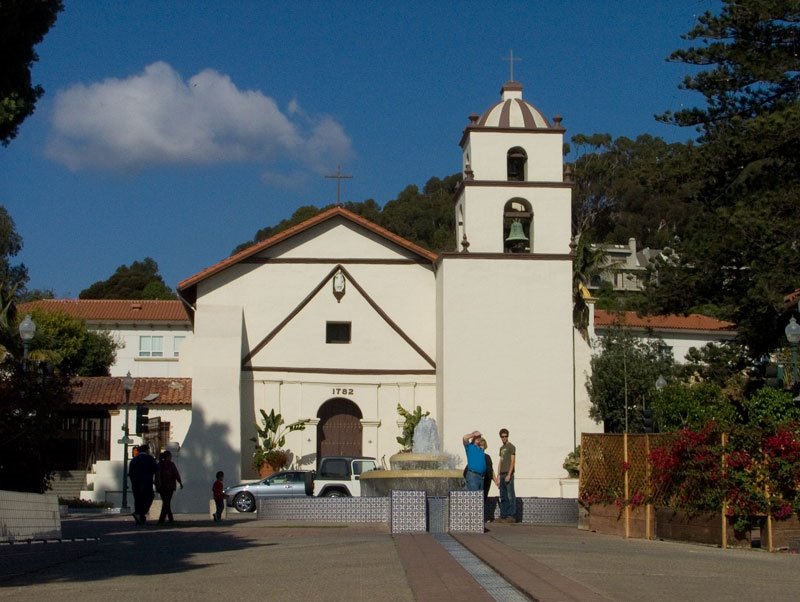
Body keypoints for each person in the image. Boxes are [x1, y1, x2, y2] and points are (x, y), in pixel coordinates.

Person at [128, 444, 158, 524]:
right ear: (147, 450)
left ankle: (139, 514)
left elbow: (130, 473)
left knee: (138, 499)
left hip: (135, 483)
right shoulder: (149, 458)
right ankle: (141, 513)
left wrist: (133, 481)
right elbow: (156, 470)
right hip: (146, 482)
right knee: (149, 497)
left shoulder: (134, 460)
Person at [494, 428, 517, 522]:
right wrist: (498, 475)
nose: (504, 438)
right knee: (503, 495)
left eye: (505, 436)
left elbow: (513, 461)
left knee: (510, 494)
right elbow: (500, 461)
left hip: (508, 474)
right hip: (502, 474)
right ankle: (503, 515)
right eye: (502, 436)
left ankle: (511, 515)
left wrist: (509, 474)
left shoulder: (511, 447)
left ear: (508, 436)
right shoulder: (501, 448)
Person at [156, 450, 183, 524]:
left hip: (161, 486)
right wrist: (180, 482)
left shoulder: (159, 464)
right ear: (168, 456)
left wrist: (157, 484)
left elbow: (157, 475)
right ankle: (163, 519)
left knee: (166, 502)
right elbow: (176, 473)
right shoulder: (171, 464)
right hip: (170, 486)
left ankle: (169, 518)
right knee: (166, 502)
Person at [478, 438, 494, 521]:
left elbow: (491, 469)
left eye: (483, 445)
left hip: (487, 480)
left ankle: (482, 517)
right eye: (480, 445)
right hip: (480, 479)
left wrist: (495, 480)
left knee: (484, 497)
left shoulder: (487, 457)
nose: (481, 447)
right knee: (479, 497)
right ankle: (479, 517)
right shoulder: (476, 457)